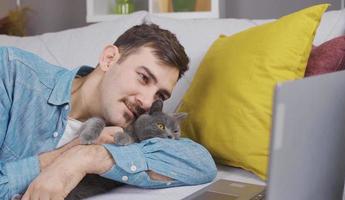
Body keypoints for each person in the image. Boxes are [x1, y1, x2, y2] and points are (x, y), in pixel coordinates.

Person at [0, 23, 217, 200]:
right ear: (109, 59)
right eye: (143, 77)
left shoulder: (133, 129)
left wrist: (87, 156)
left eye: (160, 96)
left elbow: (201, 164)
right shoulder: (11, 73)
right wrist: (64, 155)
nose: (147, 102)